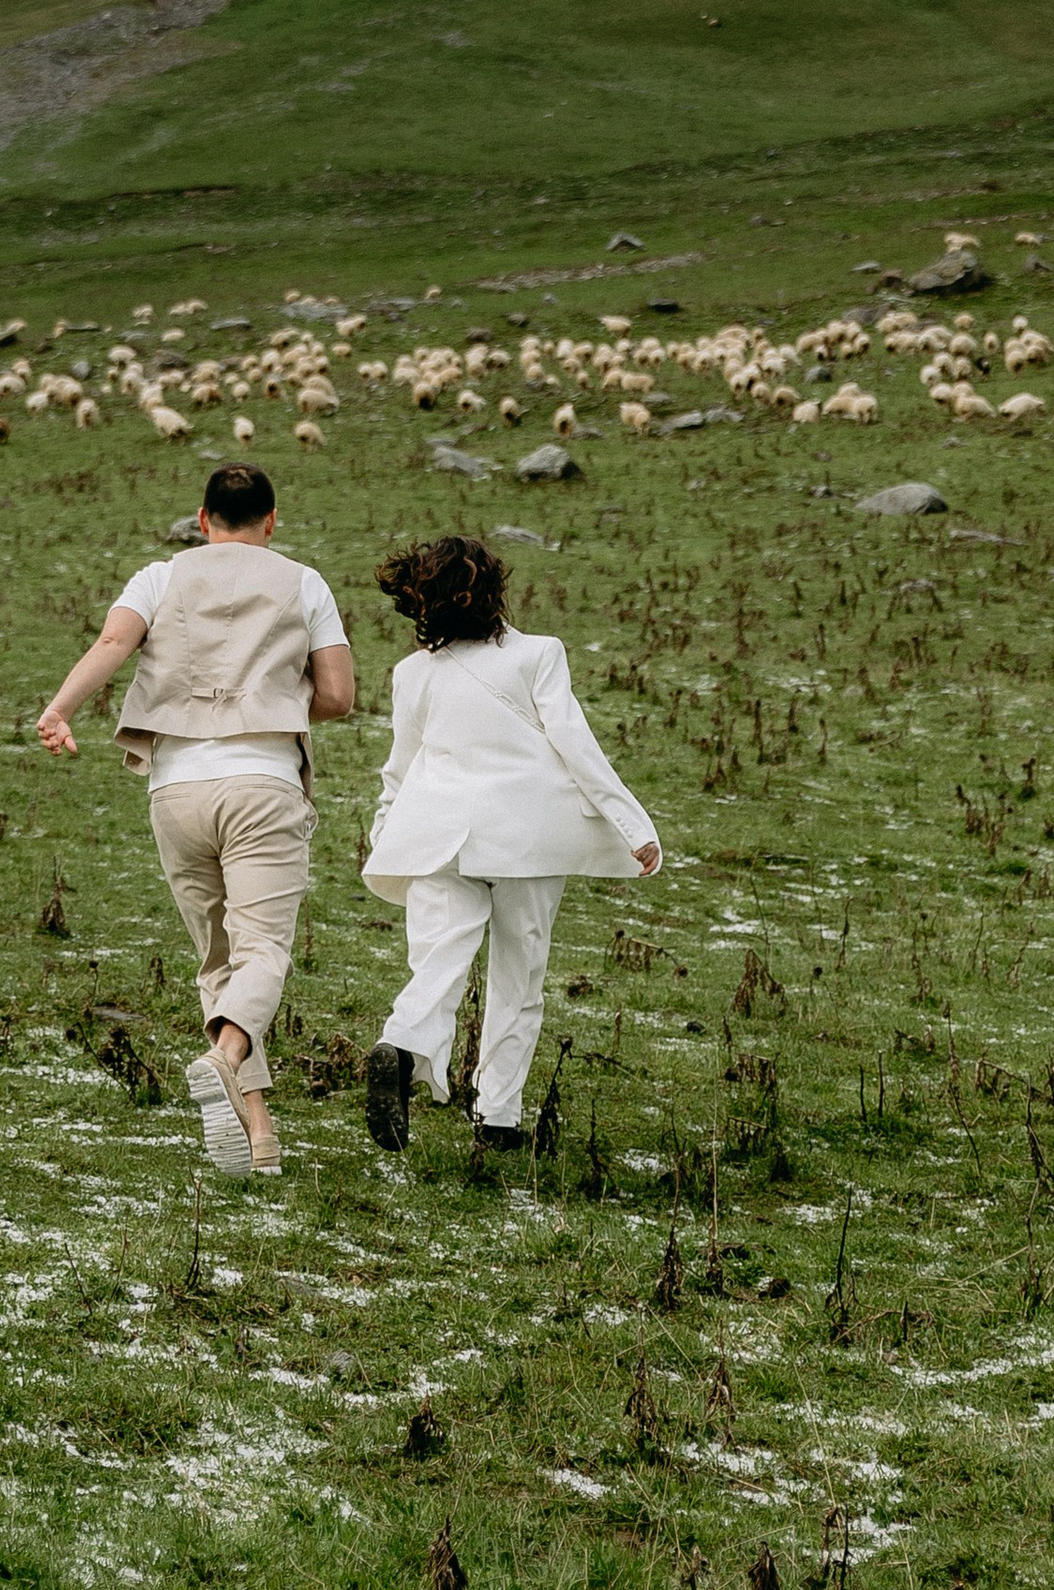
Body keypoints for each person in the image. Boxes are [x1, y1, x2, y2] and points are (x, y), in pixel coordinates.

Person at [36, 461, 353, 1180]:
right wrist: (267, 697)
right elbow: (337, 697)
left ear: (202, 519)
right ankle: (226, 1056)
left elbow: (114, 645)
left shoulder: (157, 577)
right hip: (263, 784)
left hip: (177, 790)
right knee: (263, 951)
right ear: (272, 521)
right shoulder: (305, 583)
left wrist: (60, 710)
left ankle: (260, 1135)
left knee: (218, 960)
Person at [361, 532, 660, 1154]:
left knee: (439, 958)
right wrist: (634, 825)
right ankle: (497, 1118)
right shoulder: (539, 655)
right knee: (519, 978)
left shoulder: (411, 673)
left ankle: (403, 1043)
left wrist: (385, 833)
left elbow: (400, 765)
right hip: (528, 840)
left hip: (438, 838)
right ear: (490, 589)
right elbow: (577, 745)